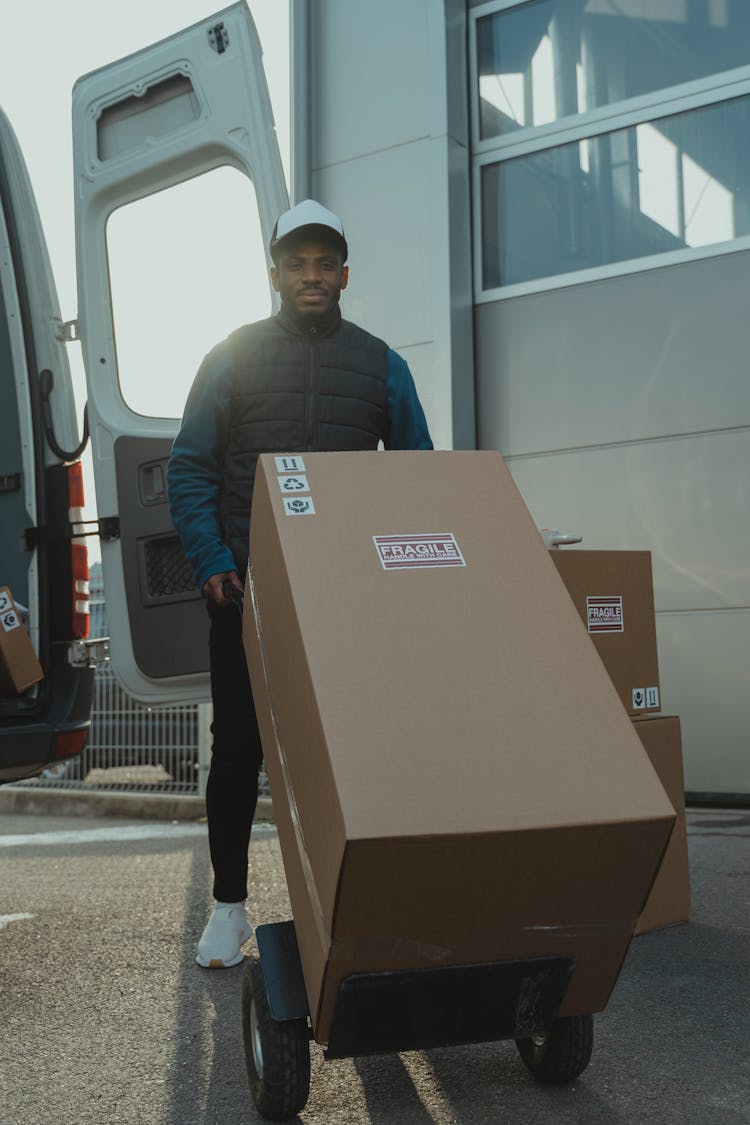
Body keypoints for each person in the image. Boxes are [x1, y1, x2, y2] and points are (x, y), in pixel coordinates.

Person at [167, 199, 433, 968]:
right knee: (238, 747)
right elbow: (190, 466)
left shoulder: (384, 364)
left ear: (344, 274)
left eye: (325, 264)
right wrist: (213, 557)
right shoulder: (234, 355)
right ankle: (228, 907)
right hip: (246, 590)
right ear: (276, 273)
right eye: (297, 263)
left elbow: (415, 473)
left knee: (360, 747)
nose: (311, 275)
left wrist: (397, 570)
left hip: (348, 596)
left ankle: (361, 906)